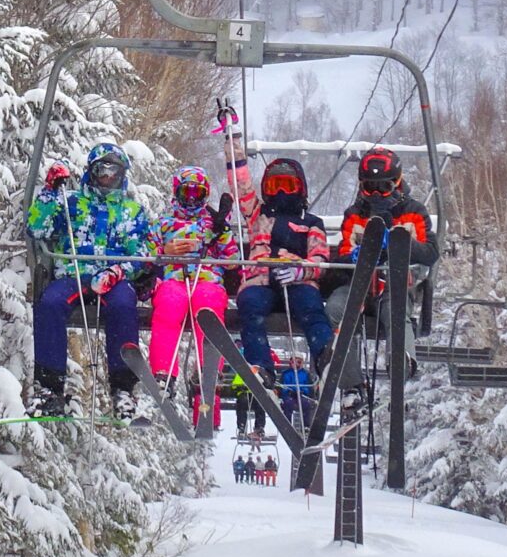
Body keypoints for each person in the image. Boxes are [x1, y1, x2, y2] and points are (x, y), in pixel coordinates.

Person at [27, 141, 153, 418]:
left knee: (123, 305)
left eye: (113, 172)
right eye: (101, 171)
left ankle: (123, 389)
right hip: (74, 272)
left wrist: (118, 272)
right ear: (91, 172)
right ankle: (49, 388)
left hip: (113, 277)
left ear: (122, 175)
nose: (107, 178)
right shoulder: (71, 202)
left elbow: (144, 253)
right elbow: (37, 228)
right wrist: (50, 192)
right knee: (49, 303)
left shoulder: (131, 212)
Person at [216, 105, 336, 385]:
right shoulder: (258, 214)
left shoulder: (311, 222)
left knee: (311, 306)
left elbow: (320, 260)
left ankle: (324, 357)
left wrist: (300, 271)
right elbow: (240, 185)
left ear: (300, 189)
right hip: (260, 280)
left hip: (296, 281)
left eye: (287, 185)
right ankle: (261, 367)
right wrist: (231, 137)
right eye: (274, 186)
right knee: (249, 305)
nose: (281, 192)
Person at [323, 146, 440, 372]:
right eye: (370, 187)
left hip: (397, 283)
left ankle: (400, 360)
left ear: (397, 182)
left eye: (383, 187)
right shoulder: (354, 214)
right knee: (336, 308)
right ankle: (347, 376)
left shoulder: (414, 212)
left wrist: (400, 245)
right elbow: (344, 253)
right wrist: (356, 258)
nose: (376, 194)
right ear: (361, 185)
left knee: (394, 310)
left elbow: (430, 252)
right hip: (360, 284)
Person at [148, 165, 234, 432]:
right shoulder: (164, 223)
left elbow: (232, 260)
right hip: (174, 278)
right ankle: (164, 373)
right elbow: (145, 255)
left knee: (207, 309)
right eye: (187, 192)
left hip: (206, 279)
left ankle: (207, 376)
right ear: (177, 192)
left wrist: (222, 231)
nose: (193, 198)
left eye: (199, 193)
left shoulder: (213, 223)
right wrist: (166, 250)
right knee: (169, 304)